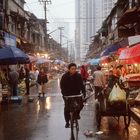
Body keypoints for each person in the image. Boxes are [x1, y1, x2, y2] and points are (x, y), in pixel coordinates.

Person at [60, 63, 85, 128]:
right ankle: (67, 121)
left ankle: (77, 114)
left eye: (75, 69)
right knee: (67, 108)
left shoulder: (78, 76)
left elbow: (82, 84)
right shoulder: (64, 76)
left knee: (81, 105)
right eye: (72, 69)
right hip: (67, 95)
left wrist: (83, 92)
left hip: (77, 94)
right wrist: (64, 94)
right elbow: (62, 86)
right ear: (69, 69)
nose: (74, 70)